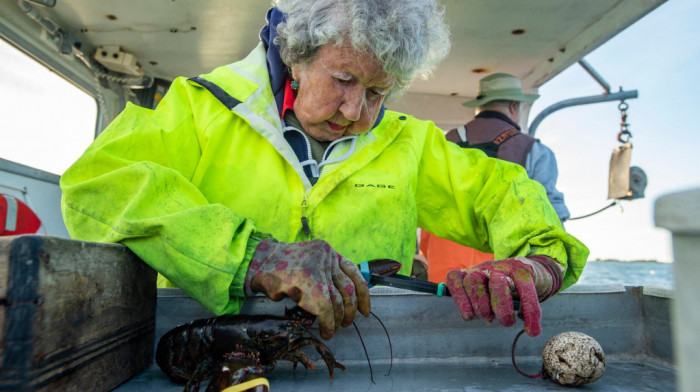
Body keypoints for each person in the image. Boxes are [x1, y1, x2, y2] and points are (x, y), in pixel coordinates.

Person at [60, 0, 588, 341]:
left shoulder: (410, 141)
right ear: (295, 55)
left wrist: (541, 258)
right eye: (344, 79)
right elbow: (98, 184)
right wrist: (254, 257)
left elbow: (501, 192)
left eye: (379, 91)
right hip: (203, 347)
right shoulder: (201, 110)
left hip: (364, 360)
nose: (358, 111)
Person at [422, 73, 570, 284]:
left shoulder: (445, 143)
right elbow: (551, 215)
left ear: (480, 106)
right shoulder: (535, 151)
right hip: (501, 280)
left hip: (443, 272)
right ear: (513, 106)